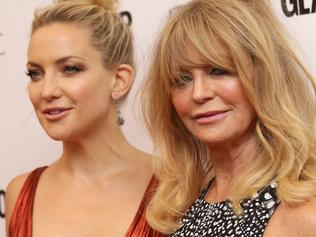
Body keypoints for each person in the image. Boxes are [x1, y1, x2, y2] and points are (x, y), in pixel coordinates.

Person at [142, 0, 316, 236]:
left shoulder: (301, 213)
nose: (199, 93)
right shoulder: (184, 204)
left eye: (218, 71)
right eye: (182, 80)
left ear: (264, 77)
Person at [5, 0, 164, 236]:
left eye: (70, 69)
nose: (47, 91)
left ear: (119, 80)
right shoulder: (20, 193)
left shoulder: (174, 187)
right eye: (36, 74)